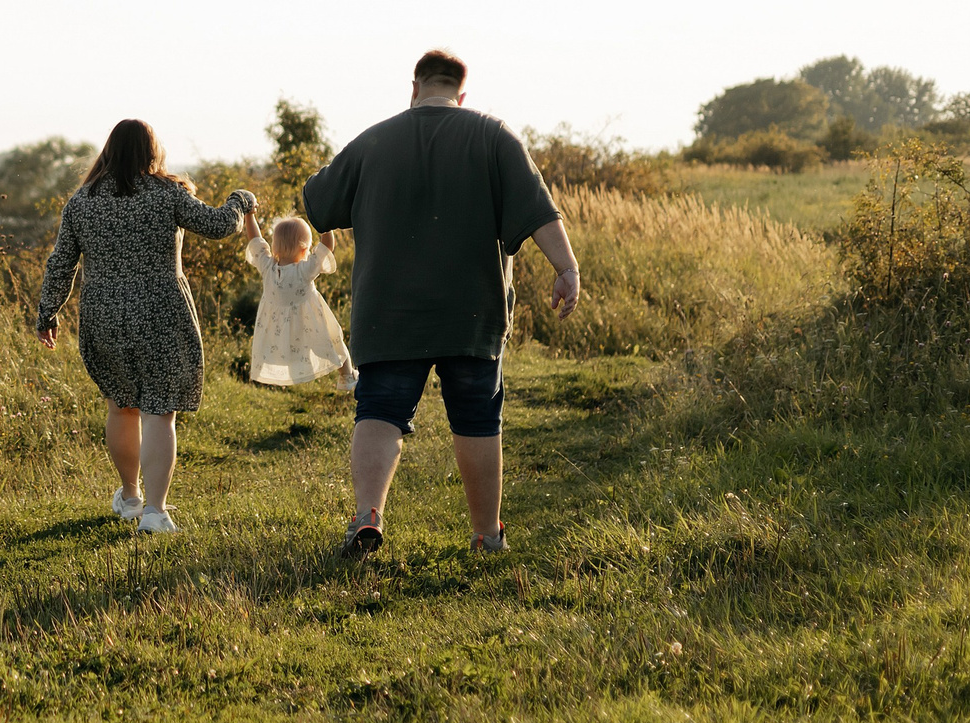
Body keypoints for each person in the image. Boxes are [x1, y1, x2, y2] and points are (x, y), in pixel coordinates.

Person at [301, 49, 579, 558]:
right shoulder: (494, 135)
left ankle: (367, 517)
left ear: (414, 87)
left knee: (380, 409)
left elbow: (317, 200)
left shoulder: (375, 138)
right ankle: (486, 536)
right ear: (461, 92)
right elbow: (540, 210)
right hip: (472, 313)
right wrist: (567, 268)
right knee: (476, 418)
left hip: (389, 314)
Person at [35, 119, 257, 536]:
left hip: (104, 316)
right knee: (159, 413)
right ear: (152, 152)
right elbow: (218, 225)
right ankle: (154, 512)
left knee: (121, 405)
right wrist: (240, 200)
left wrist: (48, 313)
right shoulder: (166, 194)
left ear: (108, 151)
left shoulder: (81, 202)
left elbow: (60, 264)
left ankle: (130, 496)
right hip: (161, 311)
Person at [238, 212, 354, 391]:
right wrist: (324, 222)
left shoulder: (268, 268)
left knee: (290, 350)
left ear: (275, 246)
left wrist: (249, 216)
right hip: (311, 323)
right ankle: (347, 376)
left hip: (280, 330)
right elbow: (327, 247)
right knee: (333, 340)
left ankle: (291, 375)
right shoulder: (304, 270)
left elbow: (255, 241)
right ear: (303, 249)